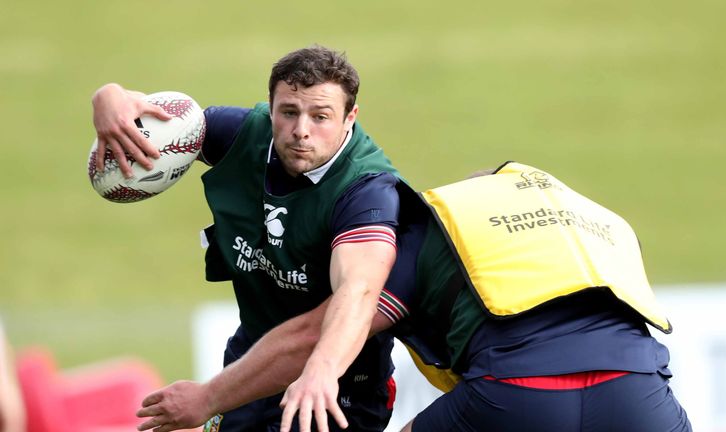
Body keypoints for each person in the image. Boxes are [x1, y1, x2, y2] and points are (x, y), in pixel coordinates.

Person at [137, 161, 692, 432]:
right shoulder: (593, 222)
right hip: (640, 397)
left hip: (513, 395)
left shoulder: (436, 231)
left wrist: (208, 398)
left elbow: (319, 334)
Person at [91, 45, 408, 432]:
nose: (301, 130)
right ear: (271, 107)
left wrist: (322, 370)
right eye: (288, 112)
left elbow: (357, 294)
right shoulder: (247, 137)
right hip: (252, 365)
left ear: (349, 118)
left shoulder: (367, 192)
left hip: (337, 388)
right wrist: (110, 97)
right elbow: (166, 121)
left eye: (321, 116)